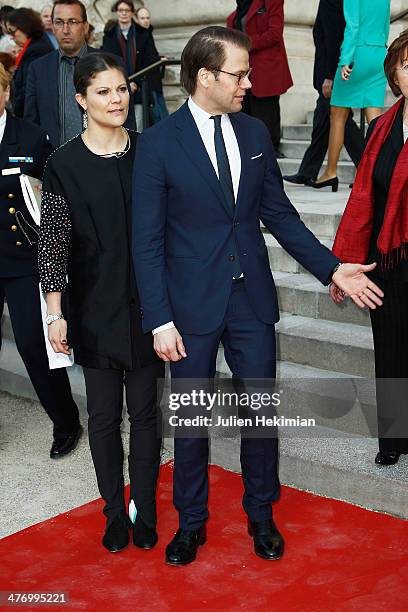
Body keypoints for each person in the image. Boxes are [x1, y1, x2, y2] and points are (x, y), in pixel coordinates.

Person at [132, 26, 384, 566]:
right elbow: (146, 242)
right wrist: (159, 318)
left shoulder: (252, 133)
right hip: (189, 308)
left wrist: (333, 269)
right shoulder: (156, 144)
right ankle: (191, 522)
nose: (249, 82)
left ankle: (262, 515)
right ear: (206, 76)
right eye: (239, 74)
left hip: (251, 303)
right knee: (194, 422)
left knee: (260, 417)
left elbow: (281, 217)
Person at [38, 52, 164, 553]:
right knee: (105, 417)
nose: (117, 100)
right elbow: (53, 244)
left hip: (152, 307)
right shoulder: (63, 164)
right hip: (93, 309)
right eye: (104, 91)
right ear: (81, 100)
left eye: (121, 89)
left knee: (148, 414)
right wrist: (55, 311)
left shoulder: (150, 152)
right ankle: (114, 512)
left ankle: (147, 511)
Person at [331, 29, 408, 465]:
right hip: (386, 260)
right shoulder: (381, 127)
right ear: (395, 75)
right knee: (391, 350)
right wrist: (350, 261)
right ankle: (395, 439)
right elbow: (363, 197)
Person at [0, 63, 82, 459]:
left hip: (21, 261)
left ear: (6, 92)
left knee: (34, 345)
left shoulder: (30, 137)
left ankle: (66, 423)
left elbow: (55, 195)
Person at [24, 0, 135, 149]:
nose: (65, 29)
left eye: (73, 22)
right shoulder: (38, 69)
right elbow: (31, 123)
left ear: (85, 26)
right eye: (59, 22)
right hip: (53, 162)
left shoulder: (112, 63)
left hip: (104, 158)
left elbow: (126, 118)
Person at [283, 0, 364, 187]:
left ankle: (370, 168)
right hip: (333, 70)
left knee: (342, 121)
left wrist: (329, 76)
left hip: (333, 72)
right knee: (322, 119)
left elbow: (334, 37)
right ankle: (307, 171)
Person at [311, 0, 390, 190]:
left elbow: (352, 27)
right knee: (375, 119)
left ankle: (330, 172)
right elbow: (385, 25)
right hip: (379, 53)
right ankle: (380, 172)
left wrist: (346, 59)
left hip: (357, 56)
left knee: (337, 115)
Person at [227, 0, 293, 157]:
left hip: (266, 68)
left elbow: (275, 33)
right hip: (243, 69)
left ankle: (271, 148)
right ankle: (248, 148)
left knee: (266, 110)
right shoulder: (237, 11)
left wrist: (245, 43)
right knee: (244, 111)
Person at [102, 0, 157, 130]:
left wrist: (135, 82)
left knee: (138, 126)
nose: (124, 13)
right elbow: (108, 62)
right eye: (121, 10)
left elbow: (149, 60)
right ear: (116, 12)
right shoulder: (109, 36)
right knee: (119, 125)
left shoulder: (143, 34)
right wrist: (125, 83)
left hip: (139, 88)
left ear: (132, 12)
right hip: (116, 88)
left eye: (127, 10)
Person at [5, 8, 54, 117]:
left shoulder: (36, 50)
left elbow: (29, 89)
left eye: (13, 32)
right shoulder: (37, 44)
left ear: (24, 26)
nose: (12, 37)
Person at [135, 6, 168, 124]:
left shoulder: (147, 33)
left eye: (147, 18)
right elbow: (142, 60)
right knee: (157, 115)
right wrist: (158, 59)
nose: (145, 20)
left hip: (154, 80)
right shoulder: (139, 35)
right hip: (146, 82)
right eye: (142, 18)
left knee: (160, 113)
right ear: (136, 19)